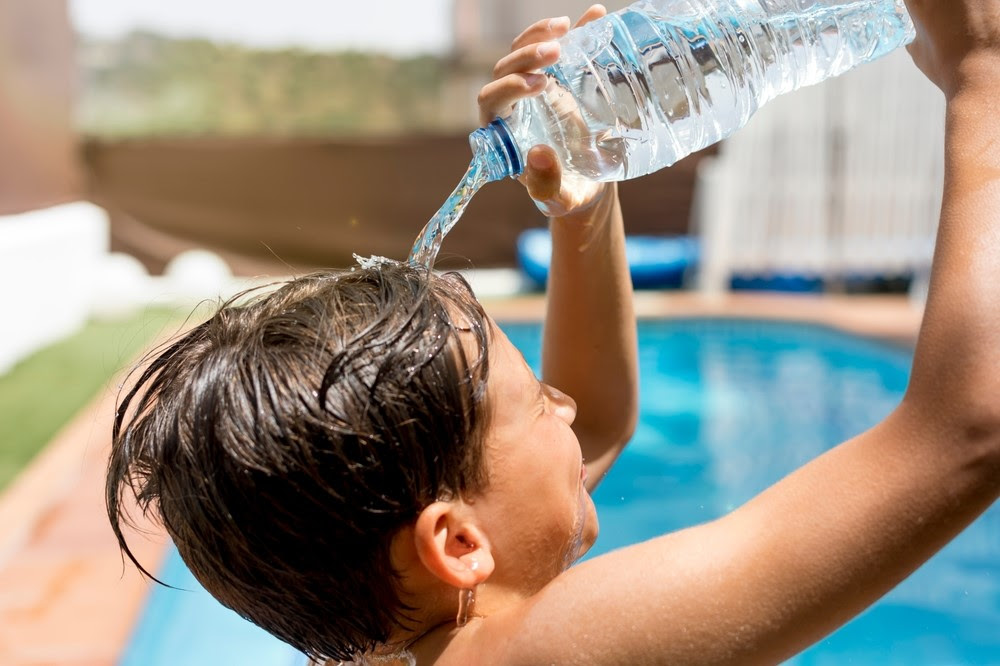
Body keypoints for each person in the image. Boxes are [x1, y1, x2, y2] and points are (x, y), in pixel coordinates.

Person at [107, 1, 1000, 664]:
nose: (566, 403)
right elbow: (968, 429)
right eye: (537, 402)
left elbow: (599, 419)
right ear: (458, 543)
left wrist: (584, 198)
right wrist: (983, 76)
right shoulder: (549, 653)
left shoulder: (380, 641)